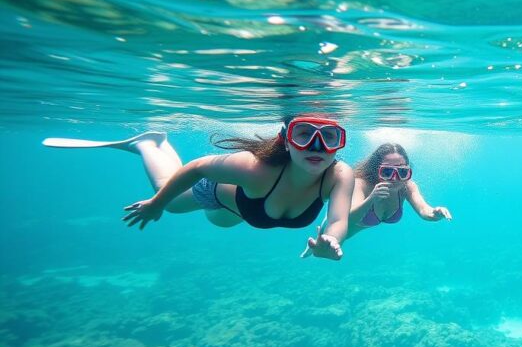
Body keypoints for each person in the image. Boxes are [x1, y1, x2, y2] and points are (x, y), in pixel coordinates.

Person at [44, 116, 355, 260]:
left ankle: (155, 146)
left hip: (240, 215)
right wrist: (155, 204)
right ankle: (147, 145)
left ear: (339, 144)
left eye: (329, 137)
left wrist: (331, 240)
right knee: (172, 201)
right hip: (217, 197)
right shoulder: (254, 169)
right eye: (303, 134)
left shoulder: (339, 175)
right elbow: (197, 167)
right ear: (286, 141)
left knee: (220, 224)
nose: (316, 145)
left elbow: (338, 218)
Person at [347, 142, 451, 238]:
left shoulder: (407, 187)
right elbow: (347, 219)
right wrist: (371, 199)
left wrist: (436, 213)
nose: (395, 178)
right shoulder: (361, 184)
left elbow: (424, 210)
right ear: (376, 170)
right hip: (339, 236)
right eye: (387, 172)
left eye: (402, 172)